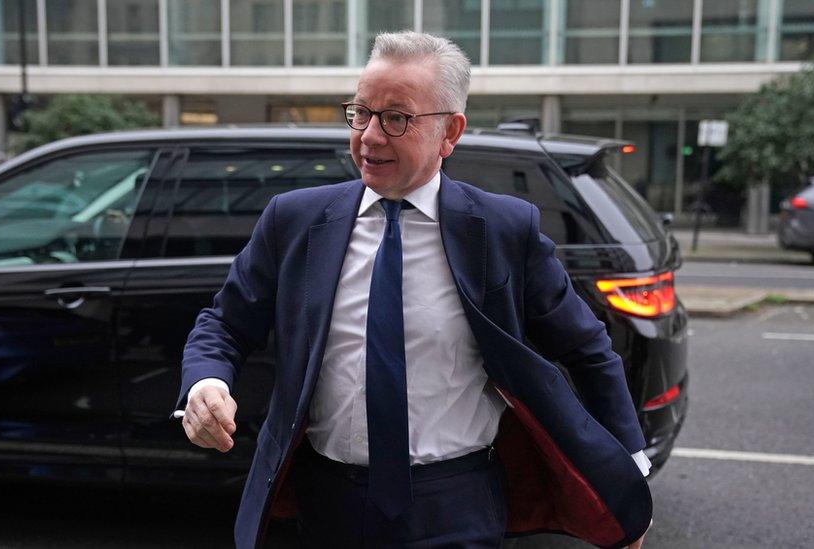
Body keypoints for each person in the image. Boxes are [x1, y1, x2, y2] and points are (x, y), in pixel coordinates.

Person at [173, 31, 652, 549]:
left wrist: (628, 478)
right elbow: (223, 324)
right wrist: (205, 384)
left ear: (450, 132)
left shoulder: (501, 231)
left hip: (456, 503)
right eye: (361, 112)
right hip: (326, 500)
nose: (370, 136)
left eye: (397, 118)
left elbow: (587, 349)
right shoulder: (295, 221)